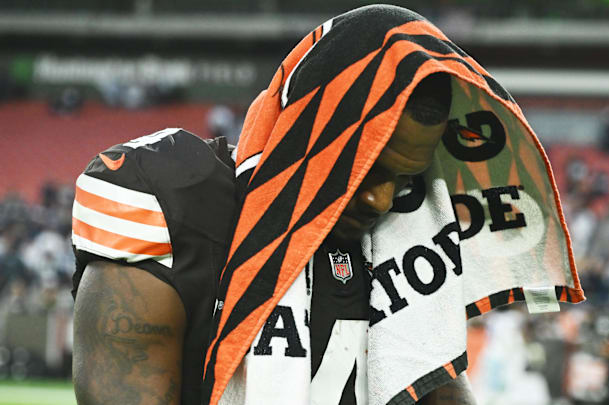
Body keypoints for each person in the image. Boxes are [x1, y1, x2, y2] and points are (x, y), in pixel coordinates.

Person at [71, 73, 475, 404]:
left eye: (404, 180)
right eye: (367, 168)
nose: (381, 200)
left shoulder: (406, 239)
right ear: (305, 131)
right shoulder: (182, 203)